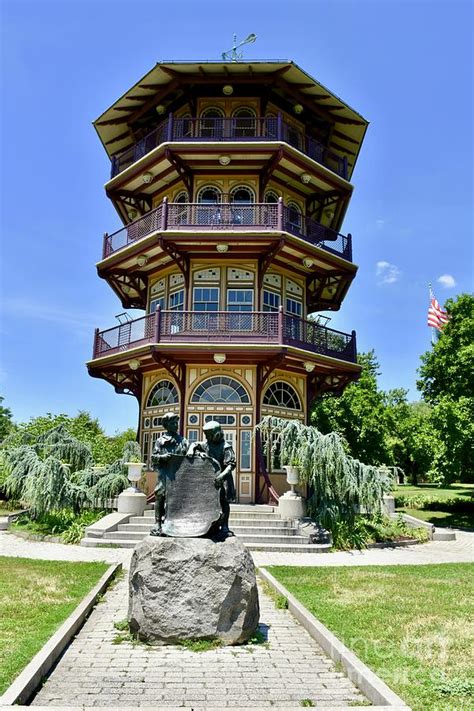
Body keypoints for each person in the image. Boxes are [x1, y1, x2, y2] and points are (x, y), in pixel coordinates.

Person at [189, 420, 236, 538]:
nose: (207, 438)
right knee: (209, 502)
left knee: (223, 502)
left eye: (209, 436)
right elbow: (195, 444)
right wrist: (195, 452)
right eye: (206, 436)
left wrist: (221, 476)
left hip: (223, 478)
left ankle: (225, 526)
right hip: (210, 479)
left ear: (217, 434)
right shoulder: (207, 445)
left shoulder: (226, 447)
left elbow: (231, 465)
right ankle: (210, 526)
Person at [149, 412, 188, 536]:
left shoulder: (183, 441)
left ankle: (175, 522)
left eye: (176, 422)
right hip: (165, 473)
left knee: (178, 498)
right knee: (160, 494)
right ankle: (157, 522)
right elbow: (153, 457)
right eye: (172, 423)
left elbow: (189, 455)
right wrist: (163, 457)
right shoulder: (160, 441)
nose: (176, 425)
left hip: (179, 474)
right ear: (166, 425)